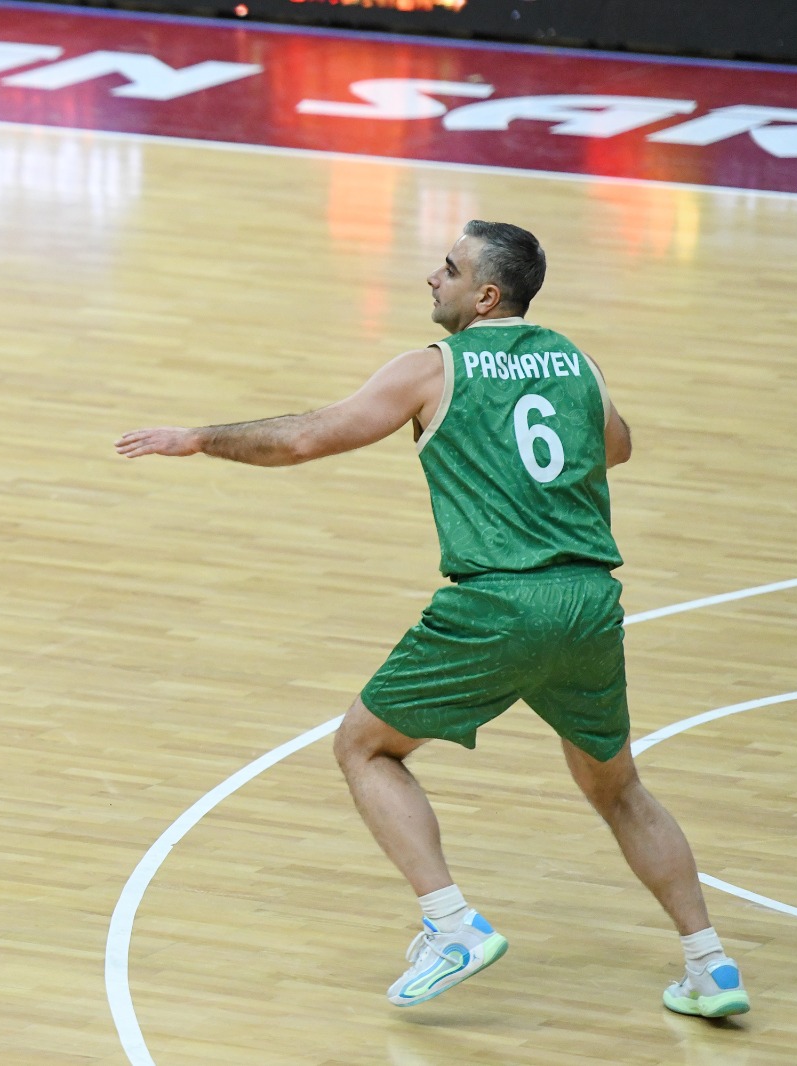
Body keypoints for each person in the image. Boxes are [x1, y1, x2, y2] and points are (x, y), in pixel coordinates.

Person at [115, 221, 748, 1018]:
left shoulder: (433, 369)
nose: (431, 278)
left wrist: (200, 438)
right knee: (619, 787)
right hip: (588, 602)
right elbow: (614, 447)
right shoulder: (578, 362)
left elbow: (305, 440)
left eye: (448, 270)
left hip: (496, 603)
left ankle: (451, 926)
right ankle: (710, 964)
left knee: (364, 746)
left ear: (486, 296)